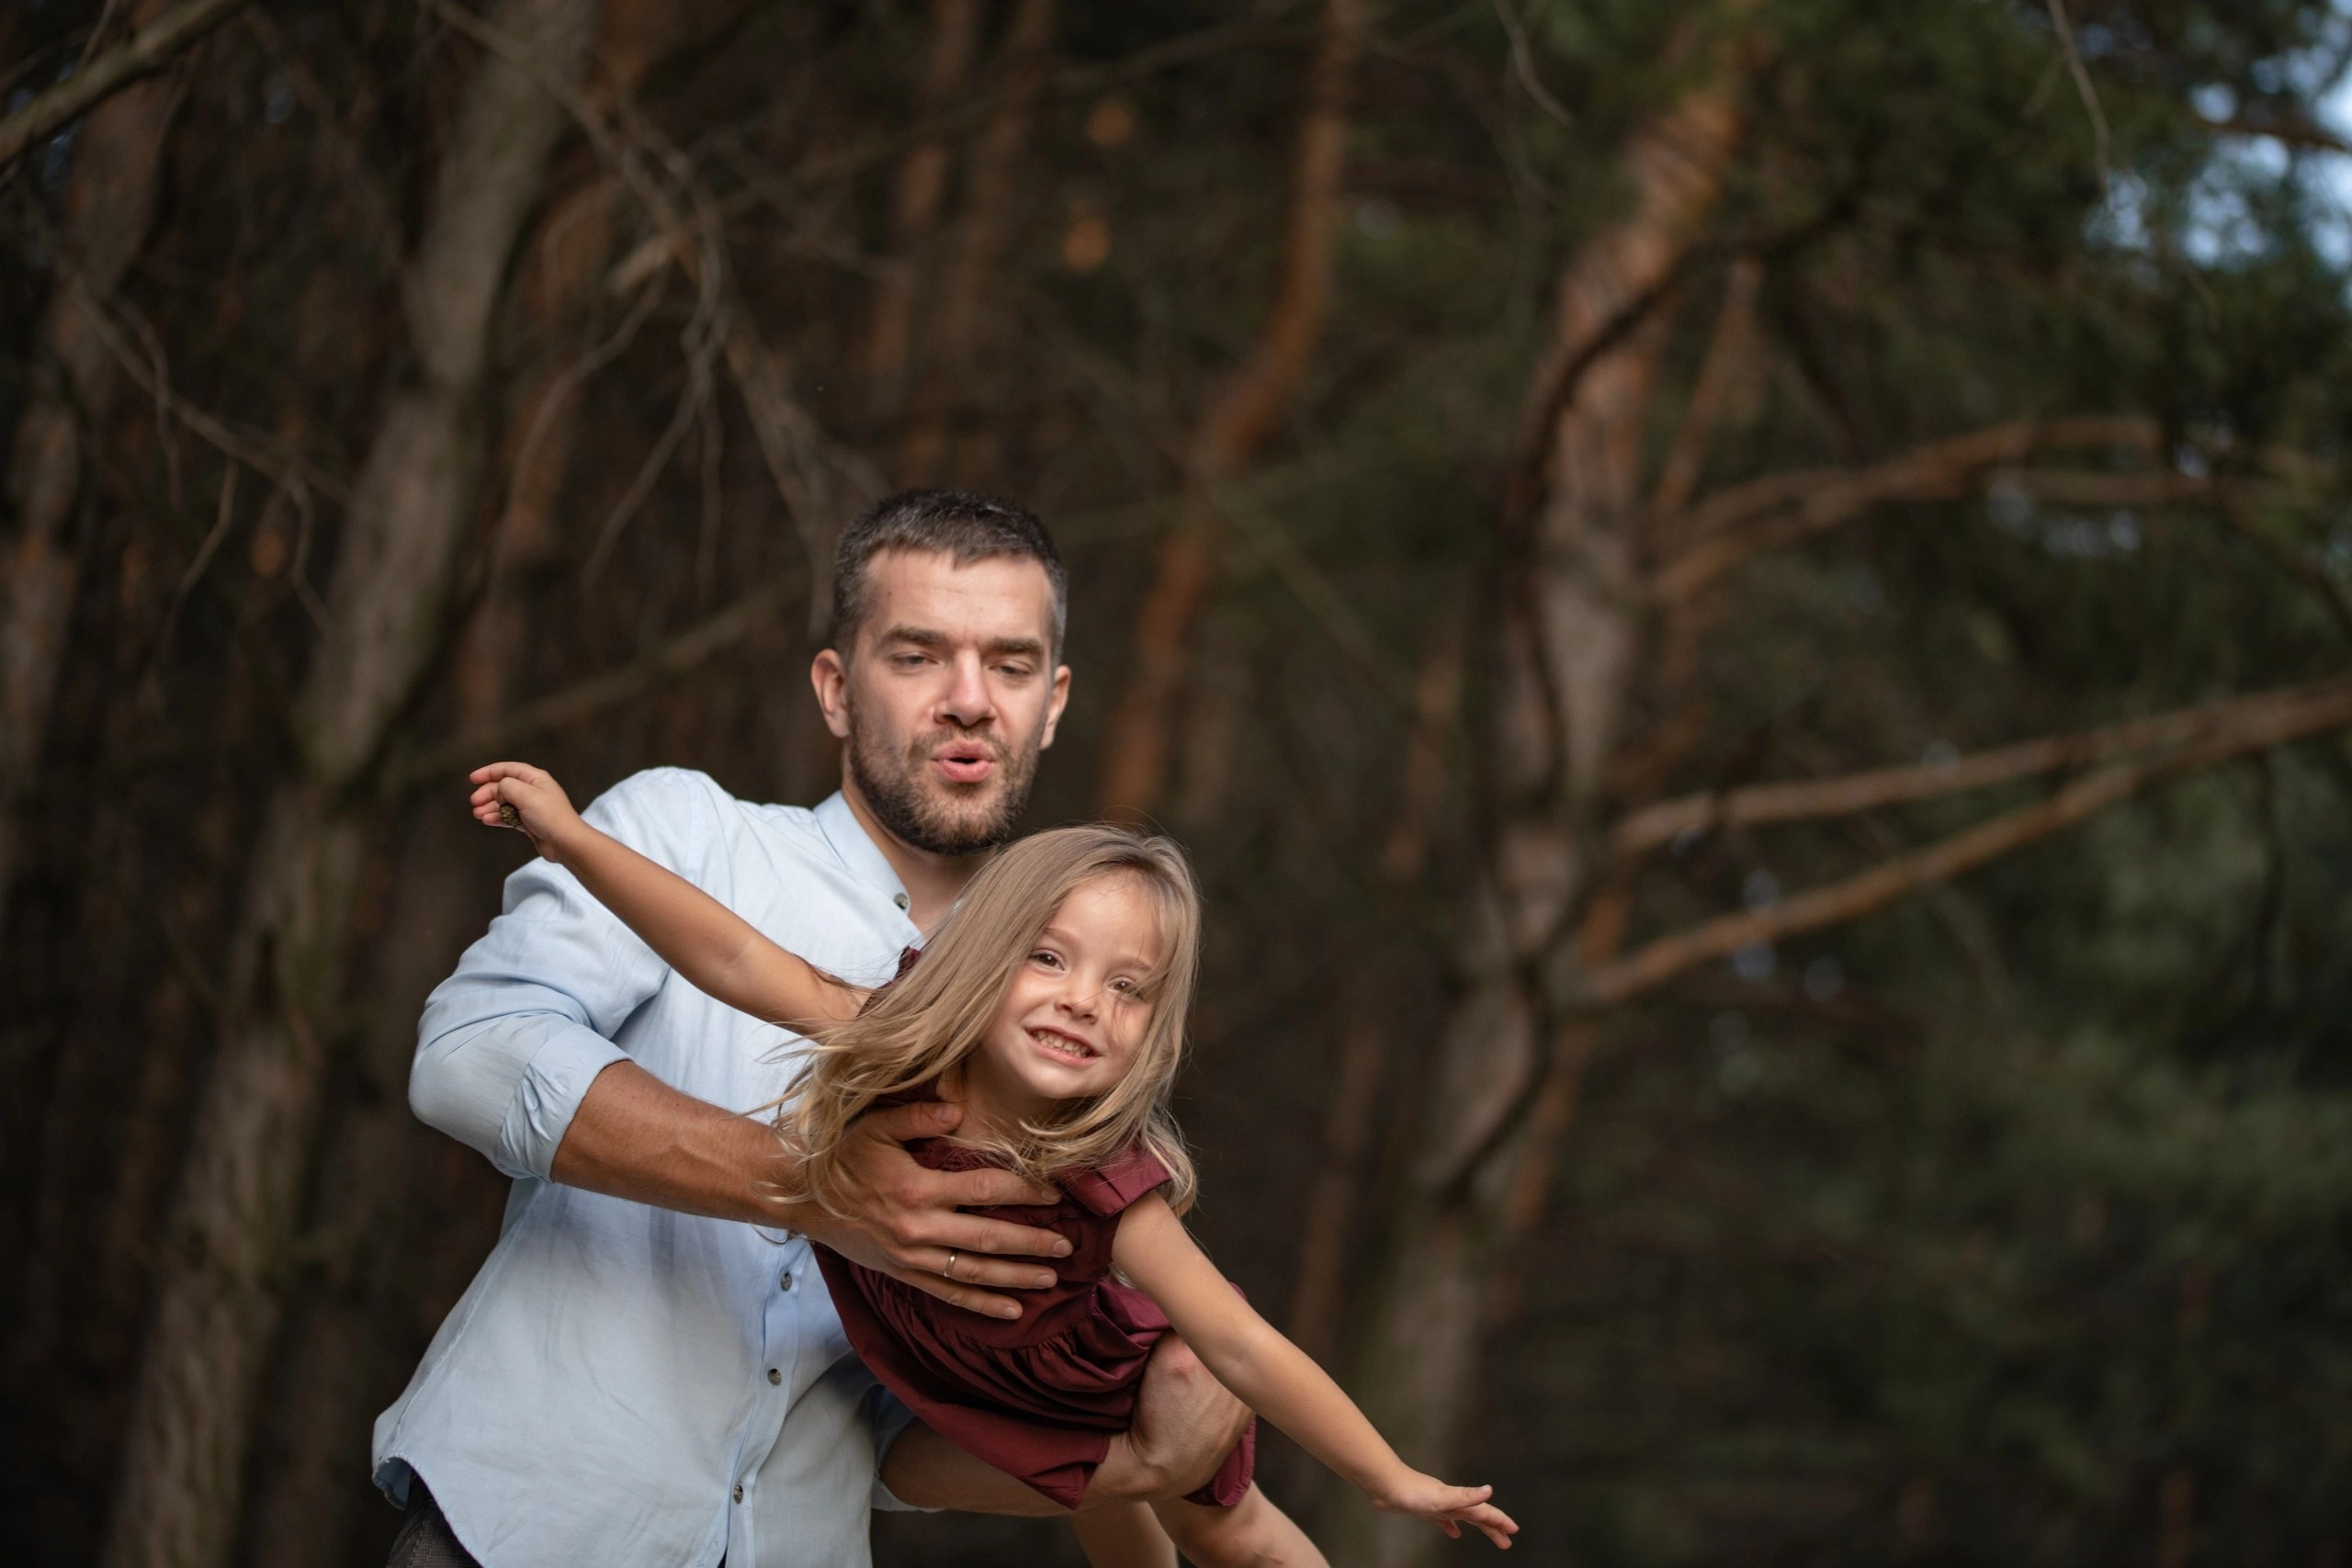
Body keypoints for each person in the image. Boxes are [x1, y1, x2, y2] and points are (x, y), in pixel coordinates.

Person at [374, 492, 1249, 1568]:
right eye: (919, 656)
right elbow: (469, 1053)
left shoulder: (1065, 1028)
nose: (969, 701)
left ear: (1053, 703)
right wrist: (809, 1186)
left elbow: (897, 1438)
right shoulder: (683, 836)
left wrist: (1135, 1467)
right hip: (520, 1532)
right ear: (836, 688)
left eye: (1011, 666)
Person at [464, 768, 1521, 1566]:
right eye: (1050, 959)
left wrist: (1392, 1478)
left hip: (1101, 1381)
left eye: (1127, 988)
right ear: (983, 955)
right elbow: (731, 954)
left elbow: (1238, 1340)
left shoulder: (1105, 1175)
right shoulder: (897, 1050)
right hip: (972, 1403)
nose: (1081, 1001)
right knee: (1045, 1496)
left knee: (1239, 1534)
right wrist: (568, 838)